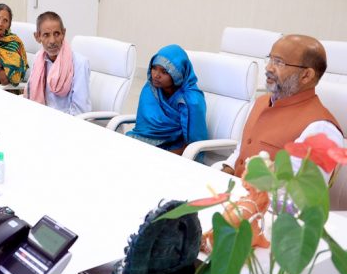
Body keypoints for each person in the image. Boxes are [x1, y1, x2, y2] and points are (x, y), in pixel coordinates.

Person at [221, 34, 342, 178]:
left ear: (306, 75)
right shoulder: (261, 102)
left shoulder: (321, 129)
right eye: (270, 59)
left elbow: (299, 195)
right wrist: (221, 175)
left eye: (279, 62)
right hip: (235, 192)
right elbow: (242, 151)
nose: (268, 68)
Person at [126, 44, 208, 155]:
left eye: (164, 72)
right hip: (145, 146)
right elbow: (143, 130)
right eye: (154, 68)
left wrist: (158, 156)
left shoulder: (192, 101)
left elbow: (194, 147)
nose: (156, 75)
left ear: (178, 74)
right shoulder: (151, 89)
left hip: (175, 152)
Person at [24, 11, 91, 115]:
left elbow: (80, 111)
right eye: (46, 35)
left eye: (57, 34)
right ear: (37, 37)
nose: (52, 41)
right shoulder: (38, 58)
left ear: (63, 33)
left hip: (67, 123)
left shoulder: (79, 63)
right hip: (41, 117)